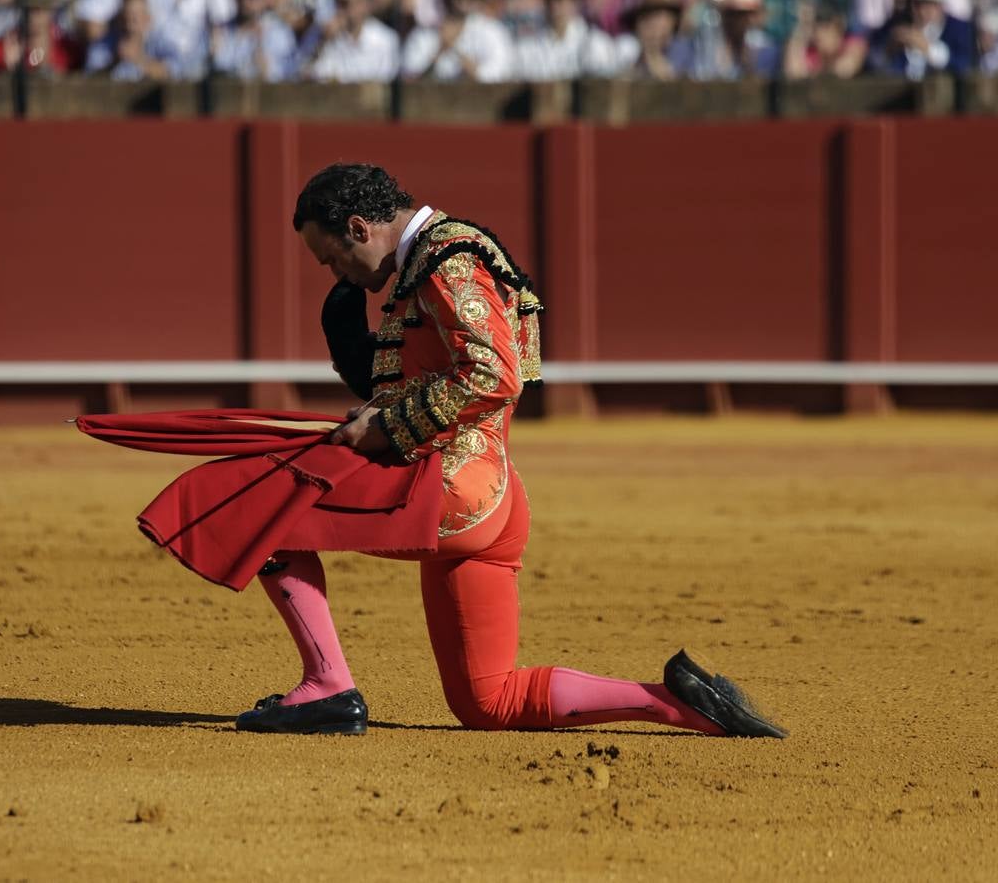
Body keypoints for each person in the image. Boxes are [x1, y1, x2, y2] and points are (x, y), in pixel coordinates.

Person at [235, 163, 788, 739]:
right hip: (491, 501)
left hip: (449, 491)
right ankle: (677, 703)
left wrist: (385, 426)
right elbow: (437, 373)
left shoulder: (448, 260)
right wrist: (364, 366)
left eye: (332, 257)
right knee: (489, 702)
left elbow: (492, 376)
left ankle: (327, 686)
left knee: (267, 511)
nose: (336, 273)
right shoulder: (432, 261)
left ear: (358, 228)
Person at [868, 0, 974, 78]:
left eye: (928, 4)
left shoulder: (958, 29)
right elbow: (871, 62)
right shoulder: (894, 25)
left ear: (940, 5)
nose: (922, 11)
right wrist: (888, 50)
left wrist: (929, 50)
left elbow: (964, 65)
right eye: (916, 4)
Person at [305, 0, 399, 80]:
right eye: (337, 2)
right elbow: (311, 76)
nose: (339, 10)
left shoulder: (385, 39)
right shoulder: (327, 37)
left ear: (362, 3)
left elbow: (386, 81)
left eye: (345, 3)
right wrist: (323, 41)